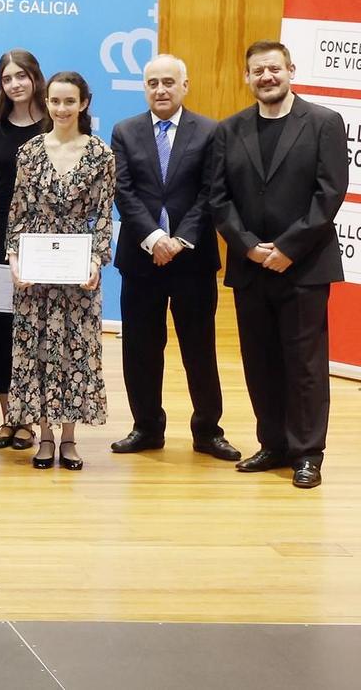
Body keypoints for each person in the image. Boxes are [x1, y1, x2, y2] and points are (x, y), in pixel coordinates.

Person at [211, 41, 348, 490]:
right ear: (246, 78)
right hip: (251, 266)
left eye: (274, 69)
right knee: (260, 360)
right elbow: (219, 198)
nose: (266, 77)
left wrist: (288, 247)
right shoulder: (229, 130)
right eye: (257, 71)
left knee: (304, 365)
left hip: (305, 266)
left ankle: (308, 452)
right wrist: (249, 247)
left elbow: (329, 193)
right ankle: (272, 444)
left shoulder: (324, 122)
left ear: (290, 70)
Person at [109, 55, 236, 461]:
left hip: (192, 260)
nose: (160, 90)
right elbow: (123, 192)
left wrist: (179, 239)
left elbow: (211, 192)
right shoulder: (125, 131)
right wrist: (154, 237)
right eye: (152, 83)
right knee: (141, 349)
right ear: (144, 88)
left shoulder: (210, 131)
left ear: (185, 85)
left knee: (198, 348)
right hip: (140, 259)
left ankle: (207, 431)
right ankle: (146, 427)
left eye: (168, 82)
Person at [5, 71, 114, 472]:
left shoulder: (102, 154)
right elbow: (17, 212)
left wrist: (95, 261)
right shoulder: (30, 152)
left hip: (77, 270)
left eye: (70, 101)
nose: (62, 108)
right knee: (39, 352)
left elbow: (104, 217)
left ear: (84, 103)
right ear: (46, 103)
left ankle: (69, 437)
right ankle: (44, 436)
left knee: (74, 354)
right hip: (36, 269)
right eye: (55, 101)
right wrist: (15, 260)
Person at [0, 48, 50, 452]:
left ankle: (36, 418)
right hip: (2, 241)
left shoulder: (56, 123)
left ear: (35, 77)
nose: (16, 84)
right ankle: (11, 417)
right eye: (7, 78)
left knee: (38, 333)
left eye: (22, 75)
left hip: (46, 242)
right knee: (4, 332)